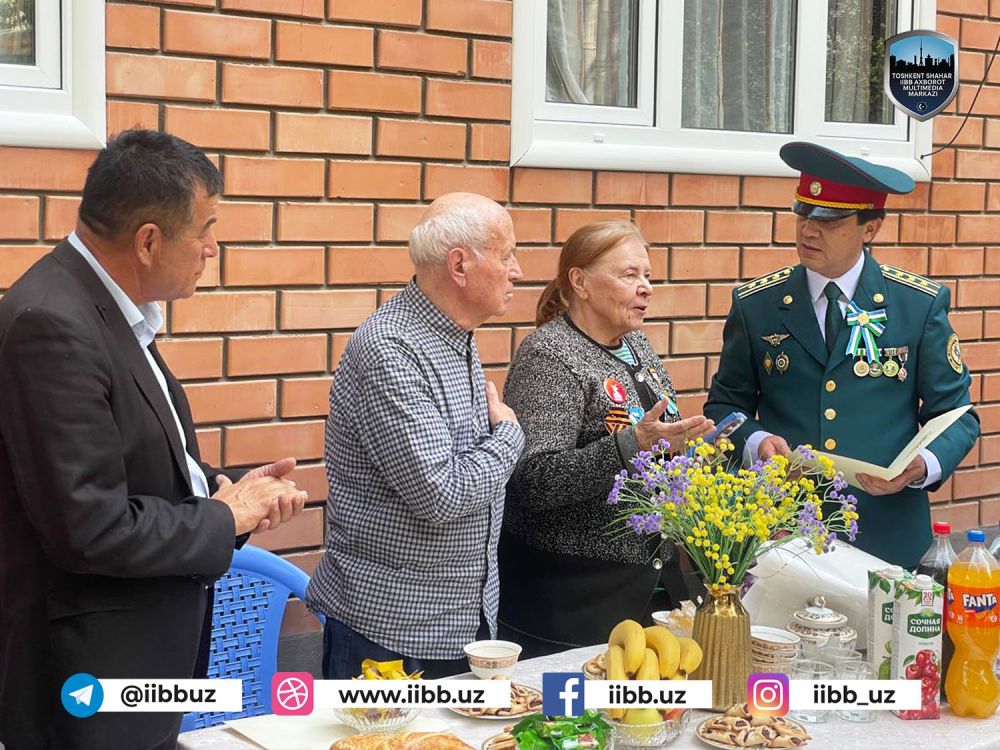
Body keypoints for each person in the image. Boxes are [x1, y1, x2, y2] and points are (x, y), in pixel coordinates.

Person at [0, 129, 308, 750]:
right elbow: (90, 527)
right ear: (148, 240)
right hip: (86, 685)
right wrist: (223, 517)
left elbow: (137, 463)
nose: (213, 248)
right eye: (205, 230)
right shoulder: (52, 324)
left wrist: (225, 493)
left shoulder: (108, 309)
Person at [705, 141, 980, 569]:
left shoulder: (917, 304)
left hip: (886, 532)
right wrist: (757, 443)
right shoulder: (756, 304)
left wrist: (922, 464)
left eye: (829, 220)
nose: (808, 231)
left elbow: (957, 416)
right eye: (802, 214)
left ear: (870, 229)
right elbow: (725, 406)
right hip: (784, 533)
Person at [306, 192, 526, 679]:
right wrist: (510, 435)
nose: (518, 271)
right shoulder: (392, 349)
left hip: (455, 624)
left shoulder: (451, 332)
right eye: (507, 255)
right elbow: (441, 494)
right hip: (391, 637)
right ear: (459, 265)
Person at [497, 221, 715, 658]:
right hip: (573, 601)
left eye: (647, 275)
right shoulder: (549, 355)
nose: (646, 288)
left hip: (650, 586)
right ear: (580, 282)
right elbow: (532, 480)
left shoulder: (637, 346)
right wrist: (630, 446)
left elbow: (654, 444)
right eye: (629, 275)